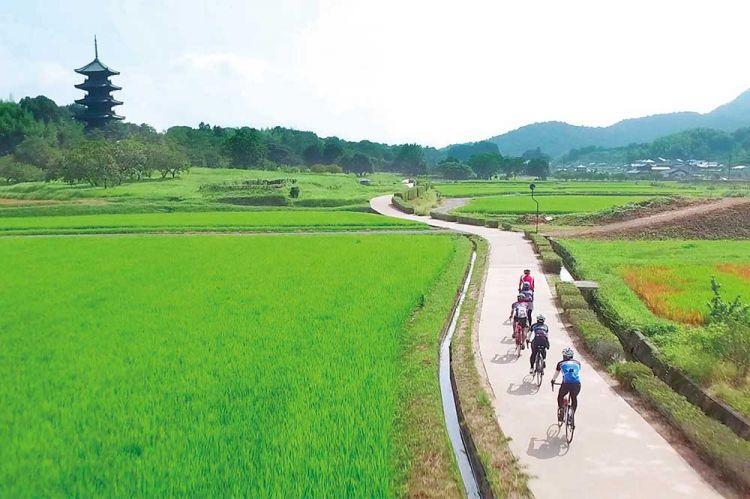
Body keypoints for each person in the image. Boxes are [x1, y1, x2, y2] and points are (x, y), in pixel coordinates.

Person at [551, 347, 581, 424]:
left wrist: (553, 380)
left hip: (566, 384)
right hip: (577, 384)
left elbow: (556, 374)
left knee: (560, 396)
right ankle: (572, 415)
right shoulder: (578, 363)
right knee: (574, 398)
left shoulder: (560, 363)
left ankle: (561, 409)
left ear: (564, 356)